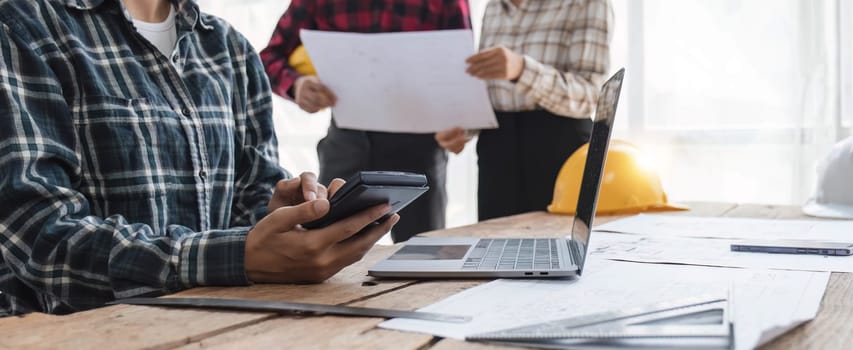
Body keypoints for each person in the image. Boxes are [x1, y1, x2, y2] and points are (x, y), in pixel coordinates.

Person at [0, 0, 398, 316]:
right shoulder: (23, 25)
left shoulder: (229, 48)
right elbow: (38, 235)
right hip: (69, 332)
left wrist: (280, 219)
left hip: (211, 326)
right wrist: (235, 255)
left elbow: (250, 198)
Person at [260, 0, 471, 242]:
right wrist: (297, 84)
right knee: (326, 246)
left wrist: (460, 122)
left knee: (423, 254)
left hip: (420, 147)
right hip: (347, 142)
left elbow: (462, 70)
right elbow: (269, 58)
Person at [435, 0, 612, 220]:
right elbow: (491, 87)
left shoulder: (587, 4)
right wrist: (465, 127)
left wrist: (522, 69)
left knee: (557, 247)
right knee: (494, 247)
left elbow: (591, 94)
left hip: (561, 148)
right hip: (496, 150)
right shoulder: (494, 7)